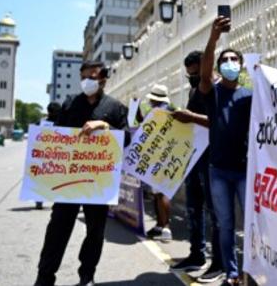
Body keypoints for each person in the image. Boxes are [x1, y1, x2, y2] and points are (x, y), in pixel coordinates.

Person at [34, 60, 128, 286]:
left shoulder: (114, 108)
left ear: (103, 78)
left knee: (95, 232)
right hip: (69, 180)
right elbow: (54, 138)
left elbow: (127, 138)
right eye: (84, 76)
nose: (87, 81)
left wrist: (105, 127)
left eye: (92, 77)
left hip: (98, 181)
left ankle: (87, 275)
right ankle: (44, 277)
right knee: (57, 228)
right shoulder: (70, 104)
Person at [198, 17, 253, 286]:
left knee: (252, 224)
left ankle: (253, 269)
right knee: (226, 224)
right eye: (225, 60)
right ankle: (232, 273)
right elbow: (205, 75)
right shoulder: (213, 92)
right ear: (220, 66)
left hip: (245, 170)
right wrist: (213, 39)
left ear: (241, 66)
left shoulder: (251, 96)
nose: (230, 63)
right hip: (218, 170)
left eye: (234, 59)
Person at [170, 50, 225, 283]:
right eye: (189, 75)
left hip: (215, 160)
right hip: (195, 158)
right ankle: (196, 254)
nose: (193, 78)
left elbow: (222, 122)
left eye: (196, 73)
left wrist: (191, 117)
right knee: (194, 208)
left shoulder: (221, 88)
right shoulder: (195, 90)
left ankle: (220, 262)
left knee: (216, 212)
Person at [143, 84, 176, 242]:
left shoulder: (157, 113)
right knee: (159, 193)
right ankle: (160, 224)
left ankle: (166, 227)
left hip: (159, 157)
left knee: (161, 193)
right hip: (168, 157)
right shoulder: (171, 111)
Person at [34, 101, 63, 210]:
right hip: (58, 157)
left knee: (42, 179)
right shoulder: (62, 123)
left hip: (43, 156)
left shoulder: (40, 123)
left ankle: (39, 200)